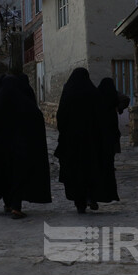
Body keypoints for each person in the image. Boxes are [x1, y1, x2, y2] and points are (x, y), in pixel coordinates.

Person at [0, 73, 52, 219]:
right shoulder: (24, 103)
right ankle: (15, 206)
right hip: (21, 149)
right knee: (19, 174)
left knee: (4, 173)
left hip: (1, 151)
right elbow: (37, 119)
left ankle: (8, 203)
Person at [54, 67, 118, 214]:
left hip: (72, 142)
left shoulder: (68, 94)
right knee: (91, 169)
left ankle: (79, 203)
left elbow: (61, 117)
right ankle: (92, 196)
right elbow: (102, 119)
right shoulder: (93, 93)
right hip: (92, 142)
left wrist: (65, 134)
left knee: (75, 172)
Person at [97, 77, 131, 201]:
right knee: (111, 146)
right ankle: (110, 163)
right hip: (111, 125)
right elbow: (126, 99)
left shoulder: (97, 94)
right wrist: (118, 108)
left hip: (100, 127)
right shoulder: (114, 94)